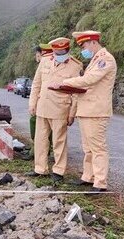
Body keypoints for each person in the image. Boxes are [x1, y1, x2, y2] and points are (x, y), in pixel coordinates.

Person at [51, 31, 117, 191]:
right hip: (87, 110)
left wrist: (64, 82)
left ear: (93, 42)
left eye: (84, 45)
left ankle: (100, 183)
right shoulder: (95, 60)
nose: (83, 49)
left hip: (96, 111)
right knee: (88, 148)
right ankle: (88, 177)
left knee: (98, 148)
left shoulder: (105, 59)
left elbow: (90, 80)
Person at [27, 37, 83, 181]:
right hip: (42, 106)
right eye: (56, 51)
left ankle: (58, 171)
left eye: (62, 51)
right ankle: (40, 168)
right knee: (40, 139)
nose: (59, 53)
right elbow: (36, 83)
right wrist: (32, 103)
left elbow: (76, 93)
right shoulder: (45, 60)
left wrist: (72, 113)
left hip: (60, 109)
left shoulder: (75, 66)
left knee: (59, 141)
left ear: (67, 50)